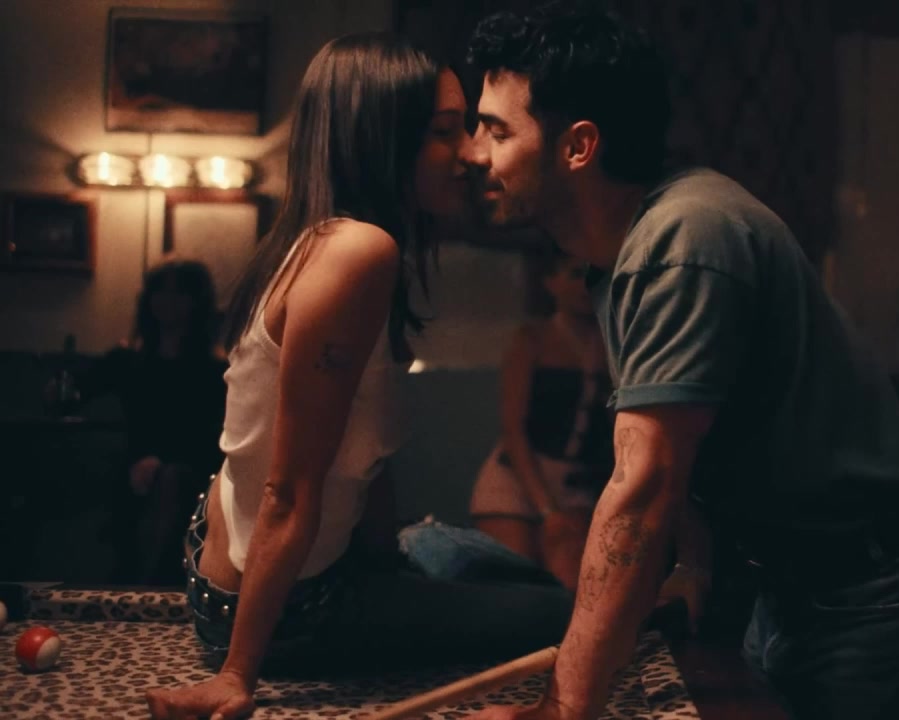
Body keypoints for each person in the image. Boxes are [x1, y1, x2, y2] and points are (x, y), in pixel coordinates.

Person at [459, 5, 899, 720]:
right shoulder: (620, 258)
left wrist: (563, 709)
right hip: (791, 599)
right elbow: (697, 443)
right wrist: (694, 565)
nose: (473, 152)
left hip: (879, 605)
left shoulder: (684, 237)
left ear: (579, 146)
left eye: (496, 130)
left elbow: (644, 486)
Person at [144, 33, 570, 720]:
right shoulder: (358, 253)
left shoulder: (317, 240)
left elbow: (361, 465)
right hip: (291, 608)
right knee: (564, 613)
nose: (471, 154)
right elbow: (289, 488)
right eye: (444, 132)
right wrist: (237, 674)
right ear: (381, 139)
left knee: (464, 557)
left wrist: (395, 577)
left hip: (235, 569)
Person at [75, 258, 228, 585]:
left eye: (179, 293)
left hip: (190, 468)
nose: (167, 301)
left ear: (196, 301)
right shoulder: (128, 361)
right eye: (160, 291)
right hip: (130, 465)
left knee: (171, 479)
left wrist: (158, 462)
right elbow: (78, 391)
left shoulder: (211, 369)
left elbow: (207, 434)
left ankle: (148, 584)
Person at [470, 245, 614, 590]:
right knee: (516, 586)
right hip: (517, 478)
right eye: (574, 274)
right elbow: (513, 428)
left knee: (573, 584)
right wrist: (546, 509)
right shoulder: (532, 339)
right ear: (551, 282)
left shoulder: (610, 343)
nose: (584, 286)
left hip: (577, 481)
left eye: (592, 276)